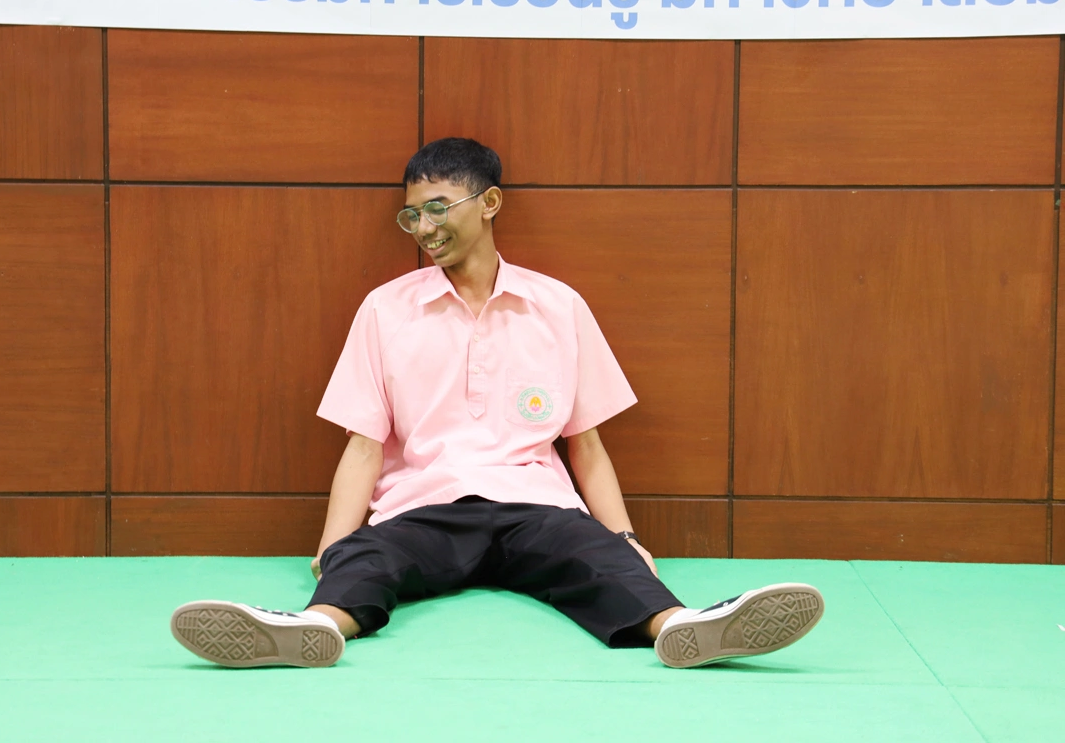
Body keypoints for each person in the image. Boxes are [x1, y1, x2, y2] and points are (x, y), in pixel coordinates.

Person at [170, 138, 824, 669]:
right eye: (411, 215)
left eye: (437, 208)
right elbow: (363, 445)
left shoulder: (557, 306)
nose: (424, 228)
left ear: (489, 203)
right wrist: (332, 545)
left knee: (599, 557)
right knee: (368, 557)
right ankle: (314, 628)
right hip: (424, 506)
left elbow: (586, 445)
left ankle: (682, 627)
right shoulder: (385, 309)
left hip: (535, 505)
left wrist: (626, 537)